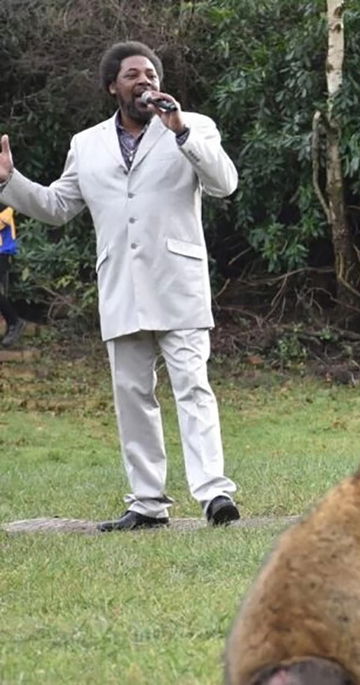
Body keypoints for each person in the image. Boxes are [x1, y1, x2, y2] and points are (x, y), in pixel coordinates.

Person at [0, 41, 240, 531]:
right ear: (114, 86)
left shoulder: (193, 126)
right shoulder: (86, 144)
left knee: (193, 388)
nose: (144, 80)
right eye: (133, 74)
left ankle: (215, 494)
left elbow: (224, 183)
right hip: (121, 287)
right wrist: (8, 181)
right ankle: (148, 505)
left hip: (179, 283)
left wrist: (181, 132)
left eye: (150, 73)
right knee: (133, 396)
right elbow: (57, 206)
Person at [0, 206, 26, 347]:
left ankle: (14, 322)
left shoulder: (5, 203)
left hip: (2, 251)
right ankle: (13, 322)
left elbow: (3, 219)